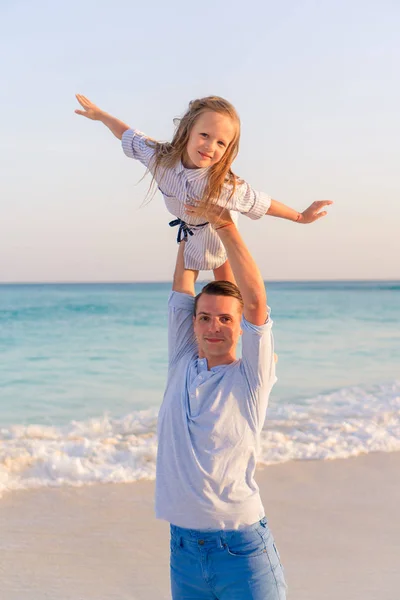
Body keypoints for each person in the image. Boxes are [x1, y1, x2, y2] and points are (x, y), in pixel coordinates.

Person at [157, 200, 287, 599]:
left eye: (226, 319)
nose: (214, 327)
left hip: (241, 552)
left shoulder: (250, 377)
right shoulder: (182, 361)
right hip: (183, 551)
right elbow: (184, 288)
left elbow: (253, 300)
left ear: (241, 326)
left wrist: (224, 222)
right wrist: (192, 223)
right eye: (204, 317)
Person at [75, 94, 332, 281]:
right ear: (187, 131)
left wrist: (300, 216)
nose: (210, 147)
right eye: (205, 135)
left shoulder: (222, 185)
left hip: (217, 231)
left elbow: (260, 203)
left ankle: (240, 339)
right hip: (189, 231)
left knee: (227, 291)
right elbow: (129, 135)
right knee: (182, 291)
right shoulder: (161, 159)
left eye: (221, 143)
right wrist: (101, 116)